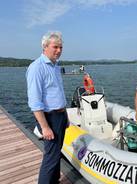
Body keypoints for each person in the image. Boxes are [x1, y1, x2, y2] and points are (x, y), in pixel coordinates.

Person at [26, 31, 67, 184]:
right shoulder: (37, 67)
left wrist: (65, 116)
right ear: (44, 47)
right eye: (55, 47)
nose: (59, 50)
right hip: (49, 118)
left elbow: (57, 93)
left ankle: (54, 181)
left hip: (60, 116)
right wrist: (45, 127)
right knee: (50, 157)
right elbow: (35, 102)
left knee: (56, 154)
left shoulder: (55, 66)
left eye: (61, 47)